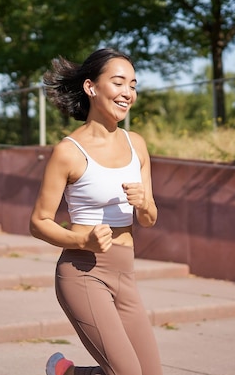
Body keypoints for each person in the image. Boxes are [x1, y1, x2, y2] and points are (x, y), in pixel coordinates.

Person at [29, 48, 163, 375]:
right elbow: (38, 222)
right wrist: (82, 239)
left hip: (125, 272)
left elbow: (148, 218)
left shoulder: (137, 145)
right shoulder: (68, 152)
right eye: (118, 83)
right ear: (91, 87)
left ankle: (68, 373)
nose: (127, 93)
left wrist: (145, 203)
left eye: (133, 85)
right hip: (84, 272)